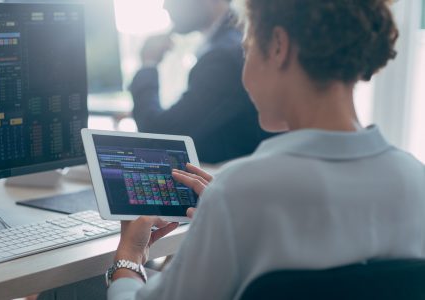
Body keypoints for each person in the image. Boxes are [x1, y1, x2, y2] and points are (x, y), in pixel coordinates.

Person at [108, 0, 425, 299]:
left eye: (247, 50)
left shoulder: (239, 192)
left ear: (277, 46)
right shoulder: (415, 179)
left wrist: (128, 260)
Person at [130, 0, 274, 164]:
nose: (165, 6)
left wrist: (148, 64)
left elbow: (159, 135)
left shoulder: (223, 57)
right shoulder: (233, 40)